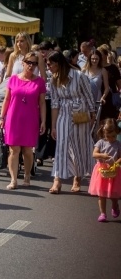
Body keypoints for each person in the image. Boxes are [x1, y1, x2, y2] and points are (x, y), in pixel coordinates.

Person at [47, 51, 95, 194]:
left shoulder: (79, 76)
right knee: (61, 145)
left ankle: (78, 177)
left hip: (80, 111)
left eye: (50, 64)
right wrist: (53, 125)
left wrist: (92, 115)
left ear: (58, 63)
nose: (48, 67)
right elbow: (54, 103)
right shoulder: (53, 80)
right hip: (64, 112)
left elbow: (88, 96)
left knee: (79, 144)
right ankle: (57, 180)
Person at [0, 52, 46, 189]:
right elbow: (7, 99)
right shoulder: (13, 79)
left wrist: (43, 121)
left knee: (27, 150)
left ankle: (26, 175)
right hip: (13, 118)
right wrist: (2, 117)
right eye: (29, 62)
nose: (31, 66)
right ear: (23, 63)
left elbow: (42, 103)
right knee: (14, 150)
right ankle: (13, 179)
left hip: (30, 119)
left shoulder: (39, 82)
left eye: (34, 63)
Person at [89, 119, 121, 222]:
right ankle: (103, 213)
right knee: (101, 194)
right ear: (104, 133)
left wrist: (116, 163)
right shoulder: (101, 142)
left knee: (113, 194)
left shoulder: (118, 144)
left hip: (113, 171)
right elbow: (94, 154)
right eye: (108, 136)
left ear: (117, 133)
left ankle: (115, 205)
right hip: (101, 171)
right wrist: (103, 155)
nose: (111, 139)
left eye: (114, 136)